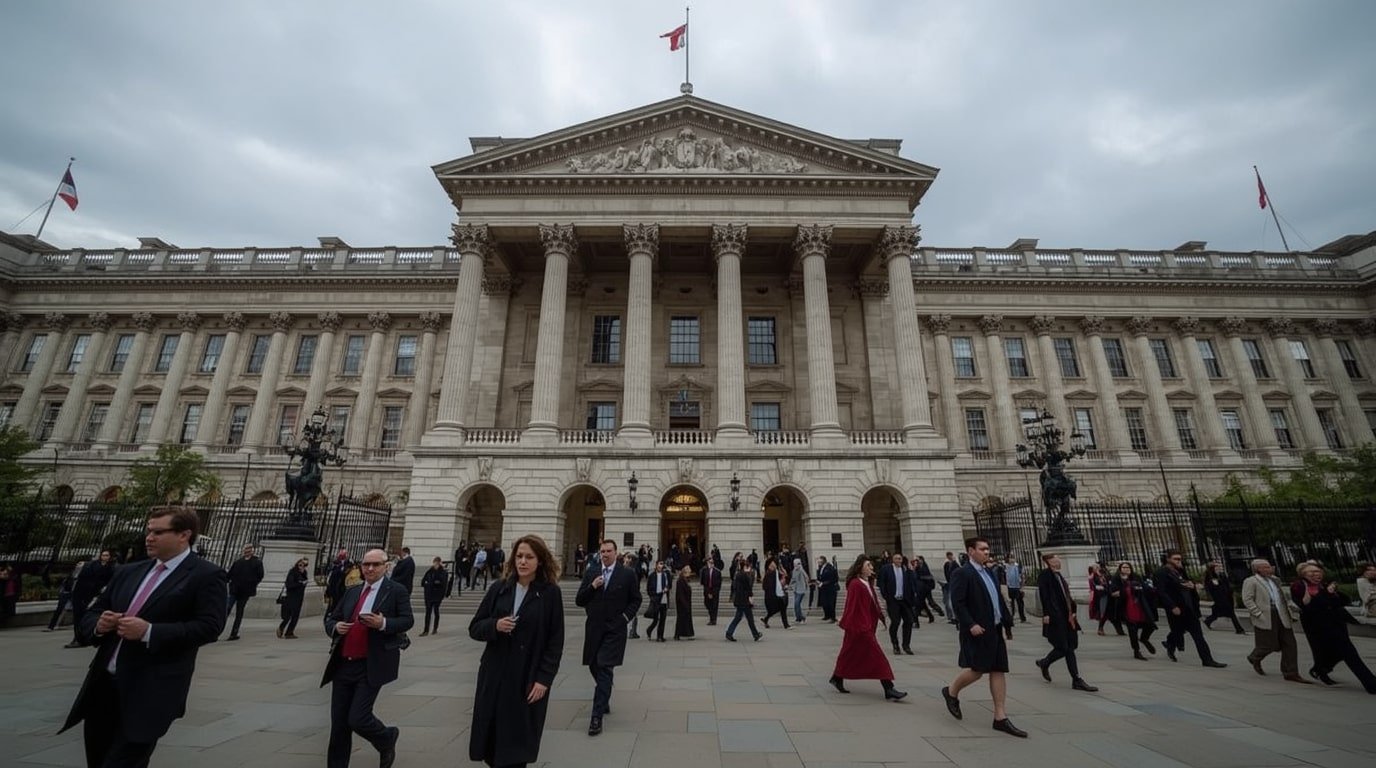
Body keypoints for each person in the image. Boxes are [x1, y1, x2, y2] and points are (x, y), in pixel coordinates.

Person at [59, 506, 228, 767]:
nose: (149, 537)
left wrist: (150, 632)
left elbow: (210, 626)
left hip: (150, 690)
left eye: (158, 532)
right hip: (104, 685)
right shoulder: (129, 571)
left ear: (184, 535)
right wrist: (100, 625)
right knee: (97, 758)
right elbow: (94, 610)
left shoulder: (206, 575)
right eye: (149, 531)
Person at [468, 534, 565, 767]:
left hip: (527, 675)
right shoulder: (499, 588)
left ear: (540, 560)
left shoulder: (550, 593)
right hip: (496, 672)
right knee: (493, 741)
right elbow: (475, 627)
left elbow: (555, 641)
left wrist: (544, 679)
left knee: (517, 743)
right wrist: (495, 625)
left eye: (529, 557)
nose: (523, 561)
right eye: (519, 556)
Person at [321, 548, 413, 768]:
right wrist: (335, 627)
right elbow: (331, 618)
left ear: (386, 566)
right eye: (366, 564)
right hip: (344, 664)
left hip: (370, 664)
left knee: (358, 718)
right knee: (339, 725)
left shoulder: (396, 591)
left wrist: (382, 623)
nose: (370, 569)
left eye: (376, 565)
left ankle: (386, 737)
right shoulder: (352, 592)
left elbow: (407, 621)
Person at [940, 537, 1025, 739]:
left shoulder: (989, 572)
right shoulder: (962, 573)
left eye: (988, 549)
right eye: (983, 549)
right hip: (977, 630)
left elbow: (997, 600)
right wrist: (970, 624)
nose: (987, 552)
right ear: (971, 551)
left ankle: (1000, 717)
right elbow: (958, 602)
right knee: (977, 671)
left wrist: (1007, 624)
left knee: (998, 669)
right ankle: (951, 691)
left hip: (994, 629)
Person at [576, 539, 642, 736]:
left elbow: (635, 599)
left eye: (608, 551)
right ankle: (604, 695)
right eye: (602, 551)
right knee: (594, 666)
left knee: (604, 666)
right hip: (595, 628)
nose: (605, 554)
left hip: (615, 629)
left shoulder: (627, 573)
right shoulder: (591, 572)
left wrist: (625, 618)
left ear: (616, 552)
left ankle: (596, 717)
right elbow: (580, 600)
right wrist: (592, 587)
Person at [828, 555, 907, 700]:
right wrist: (846, 621)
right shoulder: (856, 584)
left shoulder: (866, 583)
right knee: (878, 657)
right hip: (859, 627)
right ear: (860, 568)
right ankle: (888, 688)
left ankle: (837, 677)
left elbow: (872, 605)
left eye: (871, 565)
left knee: (848, 654)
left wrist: (880, 618)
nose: (871, 568)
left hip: (865, 626)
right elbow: (851, 606)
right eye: (868, 565)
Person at [1291, 562, 1376, 693]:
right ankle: (1369, 683)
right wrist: (1326, 593)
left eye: (1318, 571)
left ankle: (1322, 669)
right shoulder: (1299, 587)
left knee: (1346, 653)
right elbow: (1310, 607)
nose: (1316, 574)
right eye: (1311, 572)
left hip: (1336, 624)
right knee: (1342, 653)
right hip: (1318, 627)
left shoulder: (1324, 585)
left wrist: (1333, 593)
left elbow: (1342, 602)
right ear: (1303, 575)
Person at [1034, 553, 1098, 692]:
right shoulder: (1045, 575)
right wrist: (1046, 614)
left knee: (1070, 647)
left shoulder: (1059, 575)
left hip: (1067, 616)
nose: (1058, 562)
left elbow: (1066, 595)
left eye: (1059, 560)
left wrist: (1073, 609)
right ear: (1048, 562)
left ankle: (1075, 679)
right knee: (1063, 647)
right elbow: (1044, 595)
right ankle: (1046, 663)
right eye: (1055, 560)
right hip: (1056, 616)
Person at [1240, 558, 1308, 683]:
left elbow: (1283, 597)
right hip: (1266, 615)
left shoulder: (1275, 580)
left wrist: (1294, 607)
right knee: (1268, 644)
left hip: (1281, 613)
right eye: (1265, 567)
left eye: (1269, 566)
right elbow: (1247, 599)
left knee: (1290, 643)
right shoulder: (1251, 581)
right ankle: (1255, 657)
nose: (1269, 569)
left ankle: (1290, 672)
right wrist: (1258, 613)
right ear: (1258, 569)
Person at [1154, 550, 1226, 667]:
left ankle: (1207, 659)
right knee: (1178, 631)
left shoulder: (1180, 570)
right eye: (1176, 559)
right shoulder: (1161, 573)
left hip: (1189, 606)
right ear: (1168, 559)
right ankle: (1170, 644)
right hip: (1176, 607)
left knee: (1198, 635)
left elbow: (1187, 581)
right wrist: (1172, 606)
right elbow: (1162, 592)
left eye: (1179, 559)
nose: (1178, 561)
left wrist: (1191, 585)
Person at [1108, 562, 1156, 660]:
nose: (1126, 569)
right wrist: (1124, 588)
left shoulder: (1136, 577)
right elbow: (1113, 593)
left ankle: (1144, 639)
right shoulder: (1117, 578)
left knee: (1150, 625)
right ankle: (1136, 651)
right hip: (1127, 607)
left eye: (1128, 567)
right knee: (1132, 630)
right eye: (1124, 567)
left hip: (1140, 606)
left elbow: (1144, 588)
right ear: (1120, 569)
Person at [67, 548, 114, 648]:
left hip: (96, 595)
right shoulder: (92, 566)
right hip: (84, 595)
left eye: (107, 555)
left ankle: (84, 638)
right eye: (103, 555)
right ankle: (78, 638)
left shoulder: (111, 568)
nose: (105, 557)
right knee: (79, 617)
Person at [224, 545, 265, 641]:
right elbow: (229, 574)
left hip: (245, 591)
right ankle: (217, 630)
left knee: (239, 612)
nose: (247, 551)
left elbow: (260, 575)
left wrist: (252, 583)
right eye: (245, 550)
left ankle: (234, 632)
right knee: (227, 609)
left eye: (249, 550)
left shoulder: (257, 562)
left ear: (252, 551)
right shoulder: (238, 562)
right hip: (234, 589)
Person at [878, 553, 915, 655]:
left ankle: (906, 645)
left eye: (900, 559)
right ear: (893, 560)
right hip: (893, 600)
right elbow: (881, 583)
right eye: (897, 559)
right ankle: (895, 644)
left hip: (904, 600)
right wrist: (886, 596)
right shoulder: (886, 569)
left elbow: (912, 583)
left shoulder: (906, 570)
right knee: (895, 622)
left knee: (909, 621)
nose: (899, 560)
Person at [725, 558, 764, 641]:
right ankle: (755, 634)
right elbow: (748, 587)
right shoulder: (744, 575)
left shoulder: (738, 575)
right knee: (749, 619)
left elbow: (736, 587)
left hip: (739, 599)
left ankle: (729, 632)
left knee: (739, 617)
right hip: (744, 600)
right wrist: (750, 597)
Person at [1202, 561, 1245, 634]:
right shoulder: (1210, 577)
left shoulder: (1222, 575)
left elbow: (1227, 585)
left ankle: (1207, 621)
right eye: (1217, 567)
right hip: (1220, 599)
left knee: (1216, 614)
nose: (1220, 568)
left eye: (1220, 566)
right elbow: (1212, 589)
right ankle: (1239, 629)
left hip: (1227, 597)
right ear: (1213, 568)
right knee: (1231, 614)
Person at [47, 560, 83, 631]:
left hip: (75, 593)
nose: (79, 566)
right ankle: (52, 625)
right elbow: (66, 583)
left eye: (81, 565)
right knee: (60, 609)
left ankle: (78, 625)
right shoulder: (71, 573)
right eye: (78, 564)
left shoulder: (83, 574)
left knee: (77, 610)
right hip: (66, 592)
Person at [278, 558, 309, 639]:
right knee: (288, 615)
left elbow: (305, 583)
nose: (302, 567)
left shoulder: (304, 573)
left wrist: (303, 579)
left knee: (295, 616)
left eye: (305, 565)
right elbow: (289, 585)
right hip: (291, 596)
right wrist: (300, 583)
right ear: (297, 564)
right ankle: (281, 627)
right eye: (300, 565)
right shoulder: (293, 572)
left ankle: (289, 632)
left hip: (299, 597)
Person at [1088, 564, 1121, 635]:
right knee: (1104, 612)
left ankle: (1119, 629)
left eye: (1098, 567)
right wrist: (1106, 590)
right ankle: (1101, 629)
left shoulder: (1104, 575)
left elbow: (1109, 583)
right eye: (1095, 567)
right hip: (1101, 597)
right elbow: (1096, 587)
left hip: (1109, 595)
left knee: (1111, 613)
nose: (1097, 568)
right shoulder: (1093, 577)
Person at [420, 557, 448, 636]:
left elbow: (443, 584)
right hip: (429, 594)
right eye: (434, 563)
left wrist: (433, 583)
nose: (435, 565)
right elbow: (423, 581)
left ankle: (435, 628)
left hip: (437, 595)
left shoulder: (443, 572)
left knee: (436, 610)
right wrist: (427, 584)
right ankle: (426, 630)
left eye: (436, 563)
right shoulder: (429, 572)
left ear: (439, 563)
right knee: (428, 612)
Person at [762, 558, 791, 629]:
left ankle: (786, 625)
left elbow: (786, 580)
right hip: (772, 595)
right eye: (771, 565)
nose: (773, 566)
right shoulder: (768, 574)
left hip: (779, 594)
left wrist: (785, 574)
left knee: (782, 609)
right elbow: (765, 586)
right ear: (768, 566)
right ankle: (766, 619)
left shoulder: (777, 572)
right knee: (776, 609)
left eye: (774, 564)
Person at [645, 560, 670, 642]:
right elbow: (648, 588)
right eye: (659, 564)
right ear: (656, 565)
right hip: (655, 598)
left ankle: (660, 636)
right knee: (656, 619)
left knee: (663, 618)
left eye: (662, 564)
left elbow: (669, 585)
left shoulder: (665, 575)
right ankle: (649, 630)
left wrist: (667, 588)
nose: (661, 566)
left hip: (663, 598)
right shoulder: (652, 576)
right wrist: (652, 596)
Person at [622, 553, 642, 639]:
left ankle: (631, 632)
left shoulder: (632, 571)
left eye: (626, 558)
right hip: (628, 595)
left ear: (630, 560)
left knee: (632, 615)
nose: (624, 560)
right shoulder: (631, 569)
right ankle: (632, 632)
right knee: (633, 615)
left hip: (629, 595)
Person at [815, 555, 839, 622]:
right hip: (823, 588)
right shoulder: (820, 568)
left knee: (831, 603)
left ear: (823, 561)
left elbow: (832, 578)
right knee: (824, 602)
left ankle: (833, 617)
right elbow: (820, 576)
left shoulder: (829, 567)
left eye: (820, 561)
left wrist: (823, 583)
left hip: (830, 588)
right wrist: (818, 581)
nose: (818, 562)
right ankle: (827, 615)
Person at [674, 565, 695, 640]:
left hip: (686, 602)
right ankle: (677, 634)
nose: (690, 571)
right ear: (685, 571)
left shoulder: (686, 580)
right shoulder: (680, 581)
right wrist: (685, 604)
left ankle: (686, 633)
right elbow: (680, 594)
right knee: (680, 619)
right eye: (689, 570)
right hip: (682, 603)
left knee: (685, 619)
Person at [700, 557, 722, 625]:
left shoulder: (717, 572)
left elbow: (718, 584)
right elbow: (703, 582)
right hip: (707, 591)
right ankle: (711, 617)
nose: (711, 564)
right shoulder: (704, 571)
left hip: (715, 592)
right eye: (709, 562)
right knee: (708, 605)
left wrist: (713, 593)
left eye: (712, 562)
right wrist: (708, 593)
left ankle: (713, 620)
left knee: (714, 606)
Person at [1003, 555, 1025, 623]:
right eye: (1010, 558)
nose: (1012, 559)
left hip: (1018, 587)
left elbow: (1022, 576)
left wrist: (1022, 587)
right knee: (1011, 603)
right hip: (1010, 587)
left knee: (1020, 603)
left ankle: (1022, 617)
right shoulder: (1006, 567)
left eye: (1013, 558)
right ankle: (1011, 616)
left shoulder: (1018, 566)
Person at [941, 551, 959, 623]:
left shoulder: (955, 564)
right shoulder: (947, 564)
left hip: (953, 584)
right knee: (948, 601)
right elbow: (946, 574)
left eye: (950, 556)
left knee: (950, 601)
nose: (950, 557)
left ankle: (954, 617)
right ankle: (952, 617)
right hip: (950, 583)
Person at [791, 557, 810, 623]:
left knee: (797, 603)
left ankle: (801, 617)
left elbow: (806, 578)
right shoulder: (794, 570)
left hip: (801, 590)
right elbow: (793, 579)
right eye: (795, 564)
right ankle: (798, 618)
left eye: (797, 564)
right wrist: (791, 586)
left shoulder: (801, 571)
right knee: (796, 604)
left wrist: (806, 587)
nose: (796, 565)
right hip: (796, 589)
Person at [0, 564, 17, 628]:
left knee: (9, 611)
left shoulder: (12, 577)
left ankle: (3, 621)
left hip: (9, 594)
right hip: (6, 595)